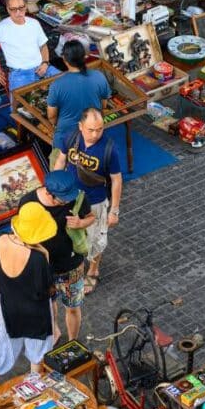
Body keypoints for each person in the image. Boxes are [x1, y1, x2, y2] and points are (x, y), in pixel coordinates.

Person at [0, 202, 57, 401]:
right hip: (35, 311)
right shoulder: (39, 258)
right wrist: (45, 255)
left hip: (9, 307)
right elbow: (46, 290)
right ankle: (35, 387)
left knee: (1, 343)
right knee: (37, 349)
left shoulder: (1, 240)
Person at [19, 170, 95, 342]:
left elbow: (91, 217)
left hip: (71, 265)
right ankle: (55, 333)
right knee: (49, 307)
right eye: (63, 199)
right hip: (43, 268)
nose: (68, 201)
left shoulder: (78, 197)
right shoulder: (28, 203)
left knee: (73, 307)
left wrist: (81, 222)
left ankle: (73, 342)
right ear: (48, 192)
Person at [53, 109, 122, 296]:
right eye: (91, 130)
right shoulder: (71, 138)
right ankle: (73, 265)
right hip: (72, 198)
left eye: (99, 129)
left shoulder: (109, 149)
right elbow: (61, 159)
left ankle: (93, 269)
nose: (95, 134)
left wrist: (114, 210)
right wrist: (54, 186)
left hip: (96, 201)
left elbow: (116, 179)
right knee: (69, 233)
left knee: (95, 238)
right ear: (80, 127)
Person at [47, 40, 110, 165]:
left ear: (64, 59)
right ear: (85, 56)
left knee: (58, 169)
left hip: (65, 137)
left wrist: (56, 124)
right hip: (92, 134)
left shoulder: (57, 85)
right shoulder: (99, 76)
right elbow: (103, 106)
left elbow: (52, 116)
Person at [0, 0, 60, 92]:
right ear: (7, 9)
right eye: (13, 9)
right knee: (20, 104)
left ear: (26, 6)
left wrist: (45, 63)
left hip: (42, 67)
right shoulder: (1, 27)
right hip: (19, 74)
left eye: (21, 7)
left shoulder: (34, 23)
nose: (18, 12)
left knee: (68, 86)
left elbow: (43, 46)